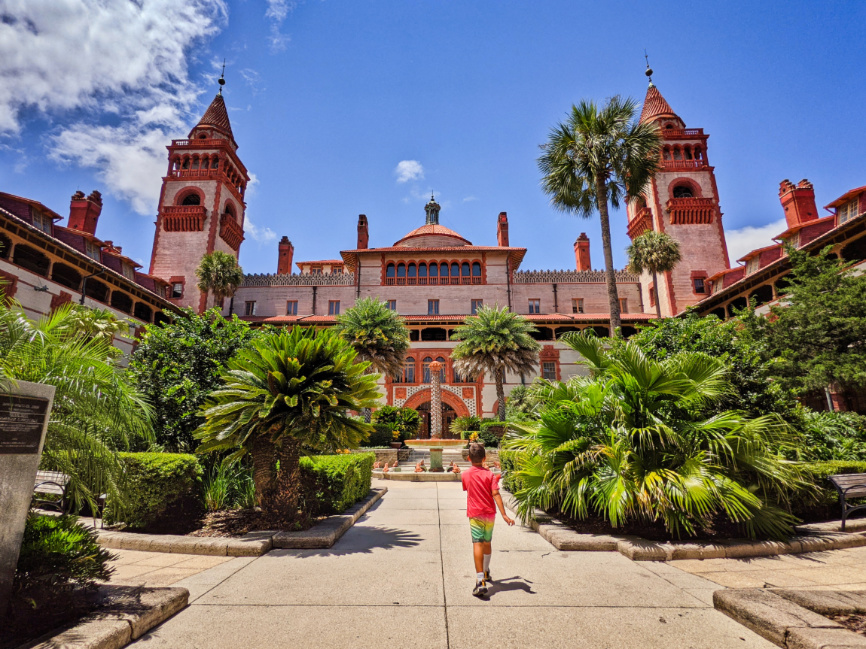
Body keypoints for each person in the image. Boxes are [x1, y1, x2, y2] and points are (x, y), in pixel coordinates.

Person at [461, 443, 514, 597]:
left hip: (475, 514)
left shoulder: (465, 474)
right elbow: (496, 494)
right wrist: (504, 514)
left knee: (477, 543)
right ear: (484, 458)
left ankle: (480, 580)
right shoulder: (490, 475)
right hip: (490, 514)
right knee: (487, 542)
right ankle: (485, 571)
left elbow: (467, 488)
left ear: (469, 458)